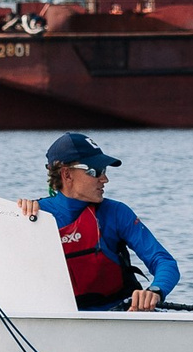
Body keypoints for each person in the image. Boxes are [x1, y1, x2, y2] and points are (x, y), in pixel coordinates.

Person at [15, 133, 180, 311]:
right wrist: (14, 219)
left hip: (124, 315)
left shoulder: (116, 213)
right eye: (95, 171)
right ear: (67, 174)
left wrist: (155, 291)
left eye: (105, 170)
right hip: (64, 318)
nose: (104, 179)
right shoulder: (33, 216)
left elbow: (163, 261)